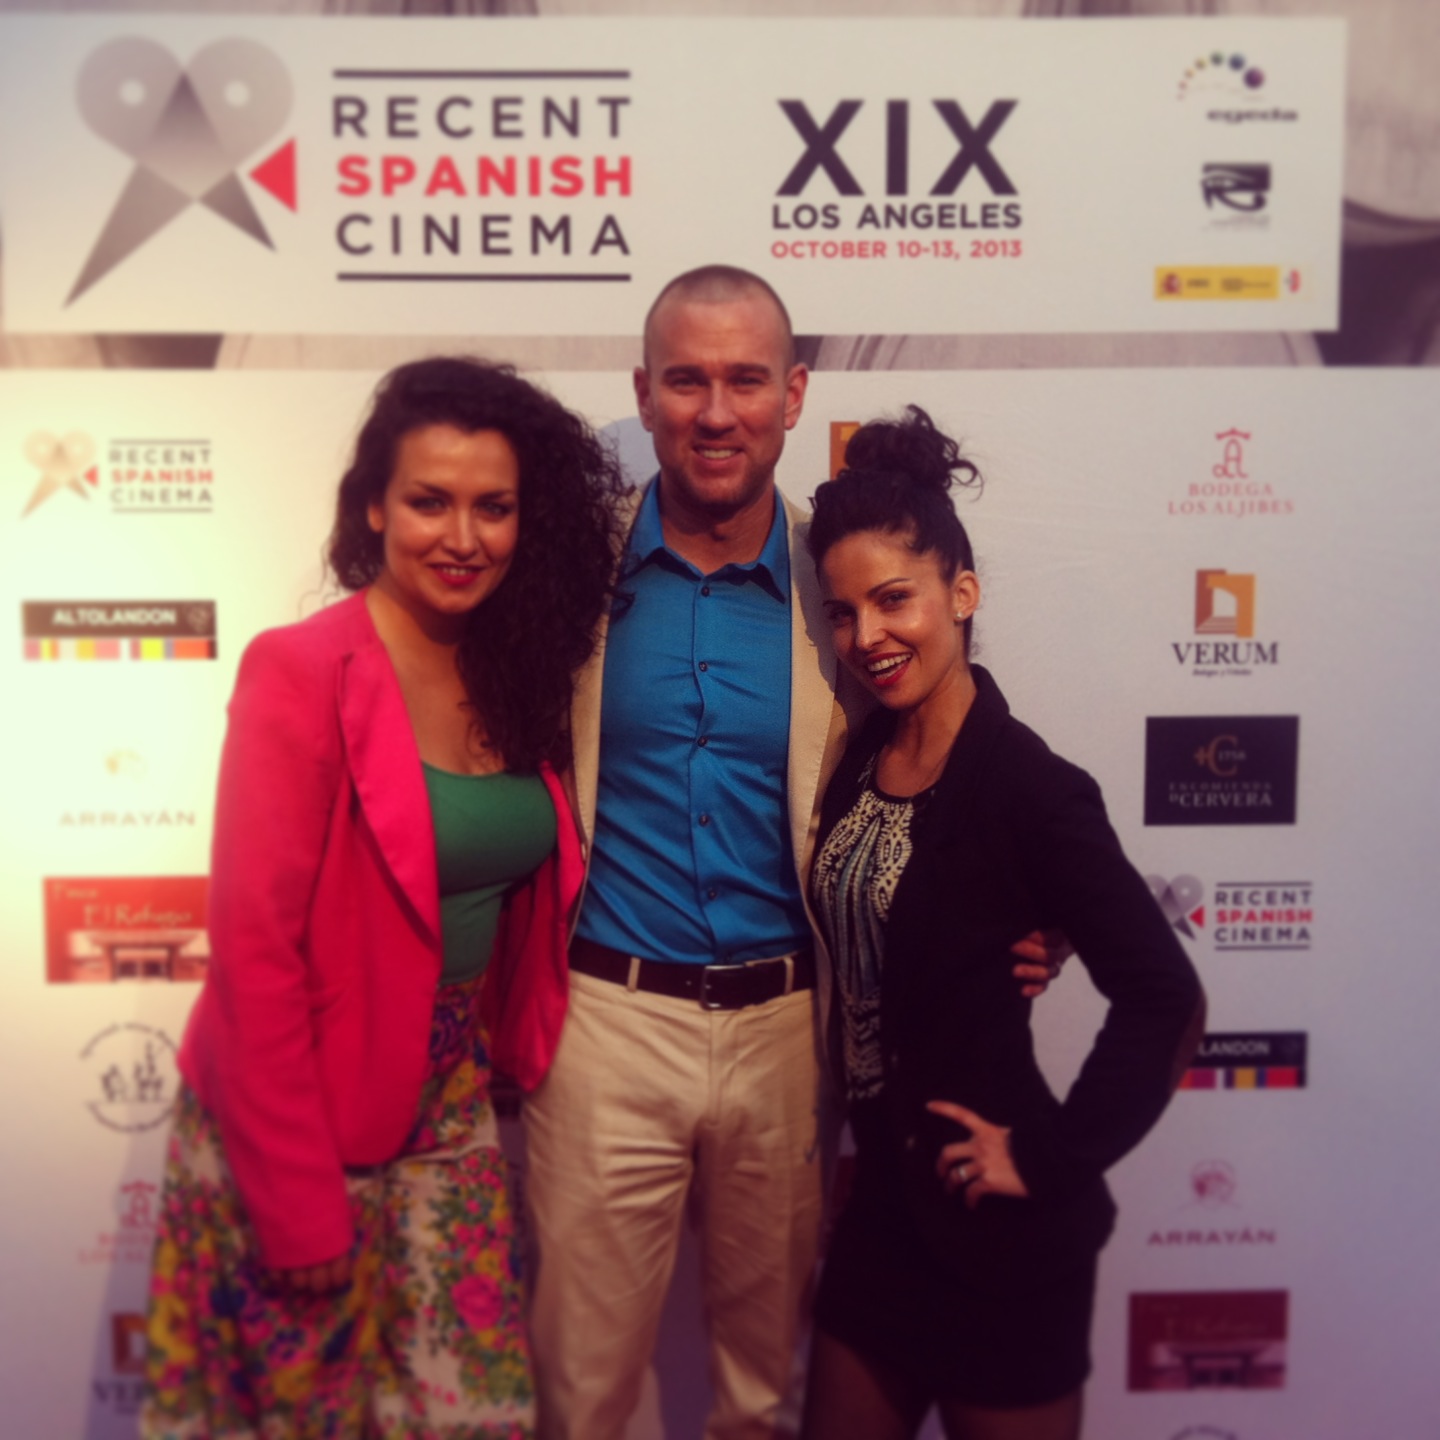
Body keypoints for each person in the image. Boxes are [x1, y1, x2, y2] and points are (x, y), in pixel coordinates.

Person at [521, 266, 1062, 1440]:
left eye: (746, 380)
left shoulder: (842, 585)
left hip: (791, 1032)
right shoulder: (567, 571)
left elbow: (958, 739)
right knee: (579, 1390)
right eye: (687, 380)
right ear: (645, 393)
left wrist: (1033, 899)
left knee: (764, 1395)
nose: (717, 412)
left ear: (796, 393)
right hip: (606, 1021)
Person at [139, 357, 625, 1439]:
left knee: (473, 1412)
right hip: (298, 1106)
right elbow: (253, 955)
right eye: (429, 501)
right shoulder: (302, 669)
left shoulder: (520, 670)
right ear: (373, 506)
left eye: (493, 507)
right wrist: (298, 1204)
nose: (463, 536)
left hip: (447, 1102)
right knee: (301, 1420)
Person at [800, 407, 1206, 1440]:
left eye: (895, 601)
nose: (869, 638)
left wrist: (1052, 1156)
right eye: (844, 614)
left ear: (961, 593)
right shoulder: (861, 758)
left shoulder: (1033, 788)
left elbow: (1166, 996)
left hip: (1004, 1238)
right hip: (884, 1217)